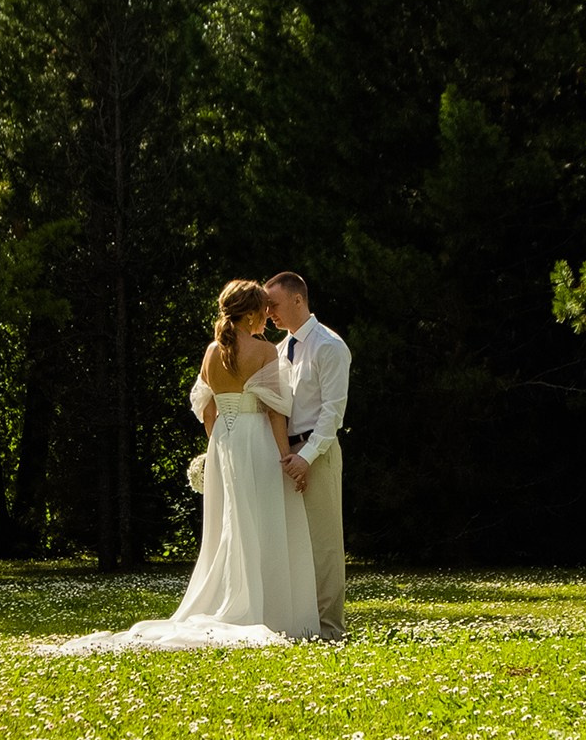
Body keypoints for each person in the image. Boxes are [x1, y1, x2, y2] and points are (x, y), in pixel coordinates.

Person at [36, 281, 320, 654]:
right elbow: (275, 411)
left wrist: (219, 441)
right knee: (261, 520)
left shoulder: (210, 352)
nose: (267, 317)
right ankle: (263, 606)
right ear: (250, 313)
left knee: (228, 525)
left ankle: (235, 595)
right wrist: (285, 457)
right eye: (262, 311)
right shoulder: (265, 351)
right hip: (255, 442)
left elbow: (206, 408)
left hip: (224, 443)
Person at [264, 271, 352, 643]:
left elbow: (333, 413)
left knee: (324, 544)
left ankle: (331, 629)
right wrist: (286, 455)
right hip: (287, 453)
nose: (269, 314)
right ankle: (301, 623)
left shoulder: (328, 346)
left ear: (298, 300)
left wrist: (307, 457)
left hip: (319, 451)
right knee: (293, 542)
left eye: (274, 305)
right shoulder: (281, 350)